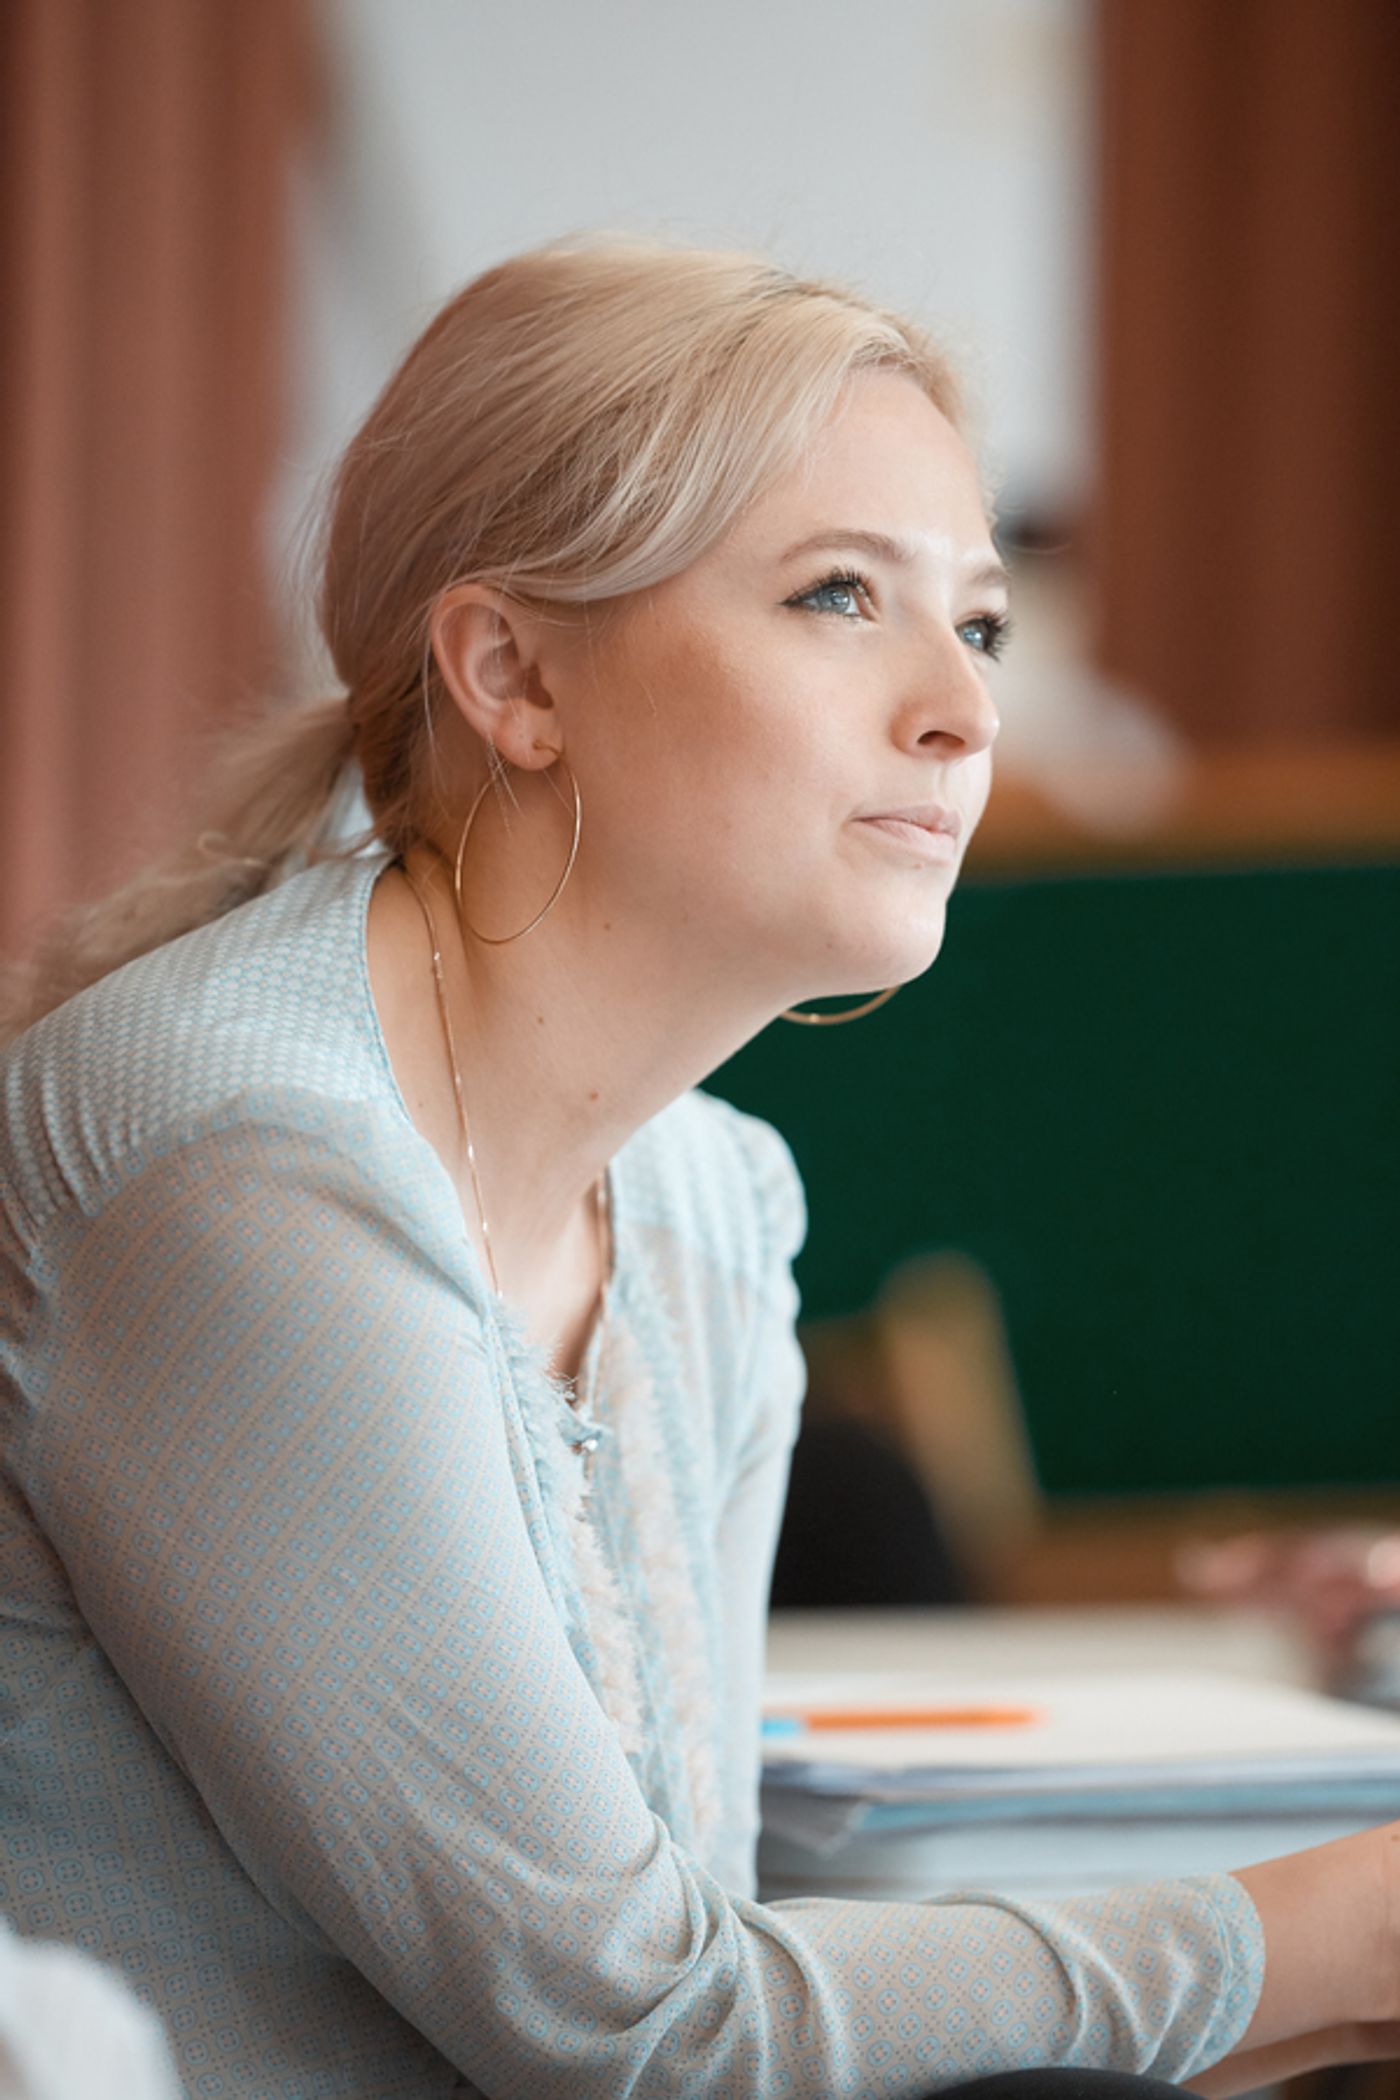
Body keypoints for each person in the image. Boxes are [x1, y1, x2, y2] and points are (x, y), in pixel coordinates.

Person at [0, 233, 1396, 2100]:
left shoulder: (714, 1199)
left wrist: (1292, 1990)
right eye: (840, 597)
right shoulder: (246, 1163)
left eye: (977, 622)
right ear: (511, 672)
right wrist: (1300, 1941)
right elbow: (640, 2032)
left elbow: (707, 1980)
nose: (966, 714)